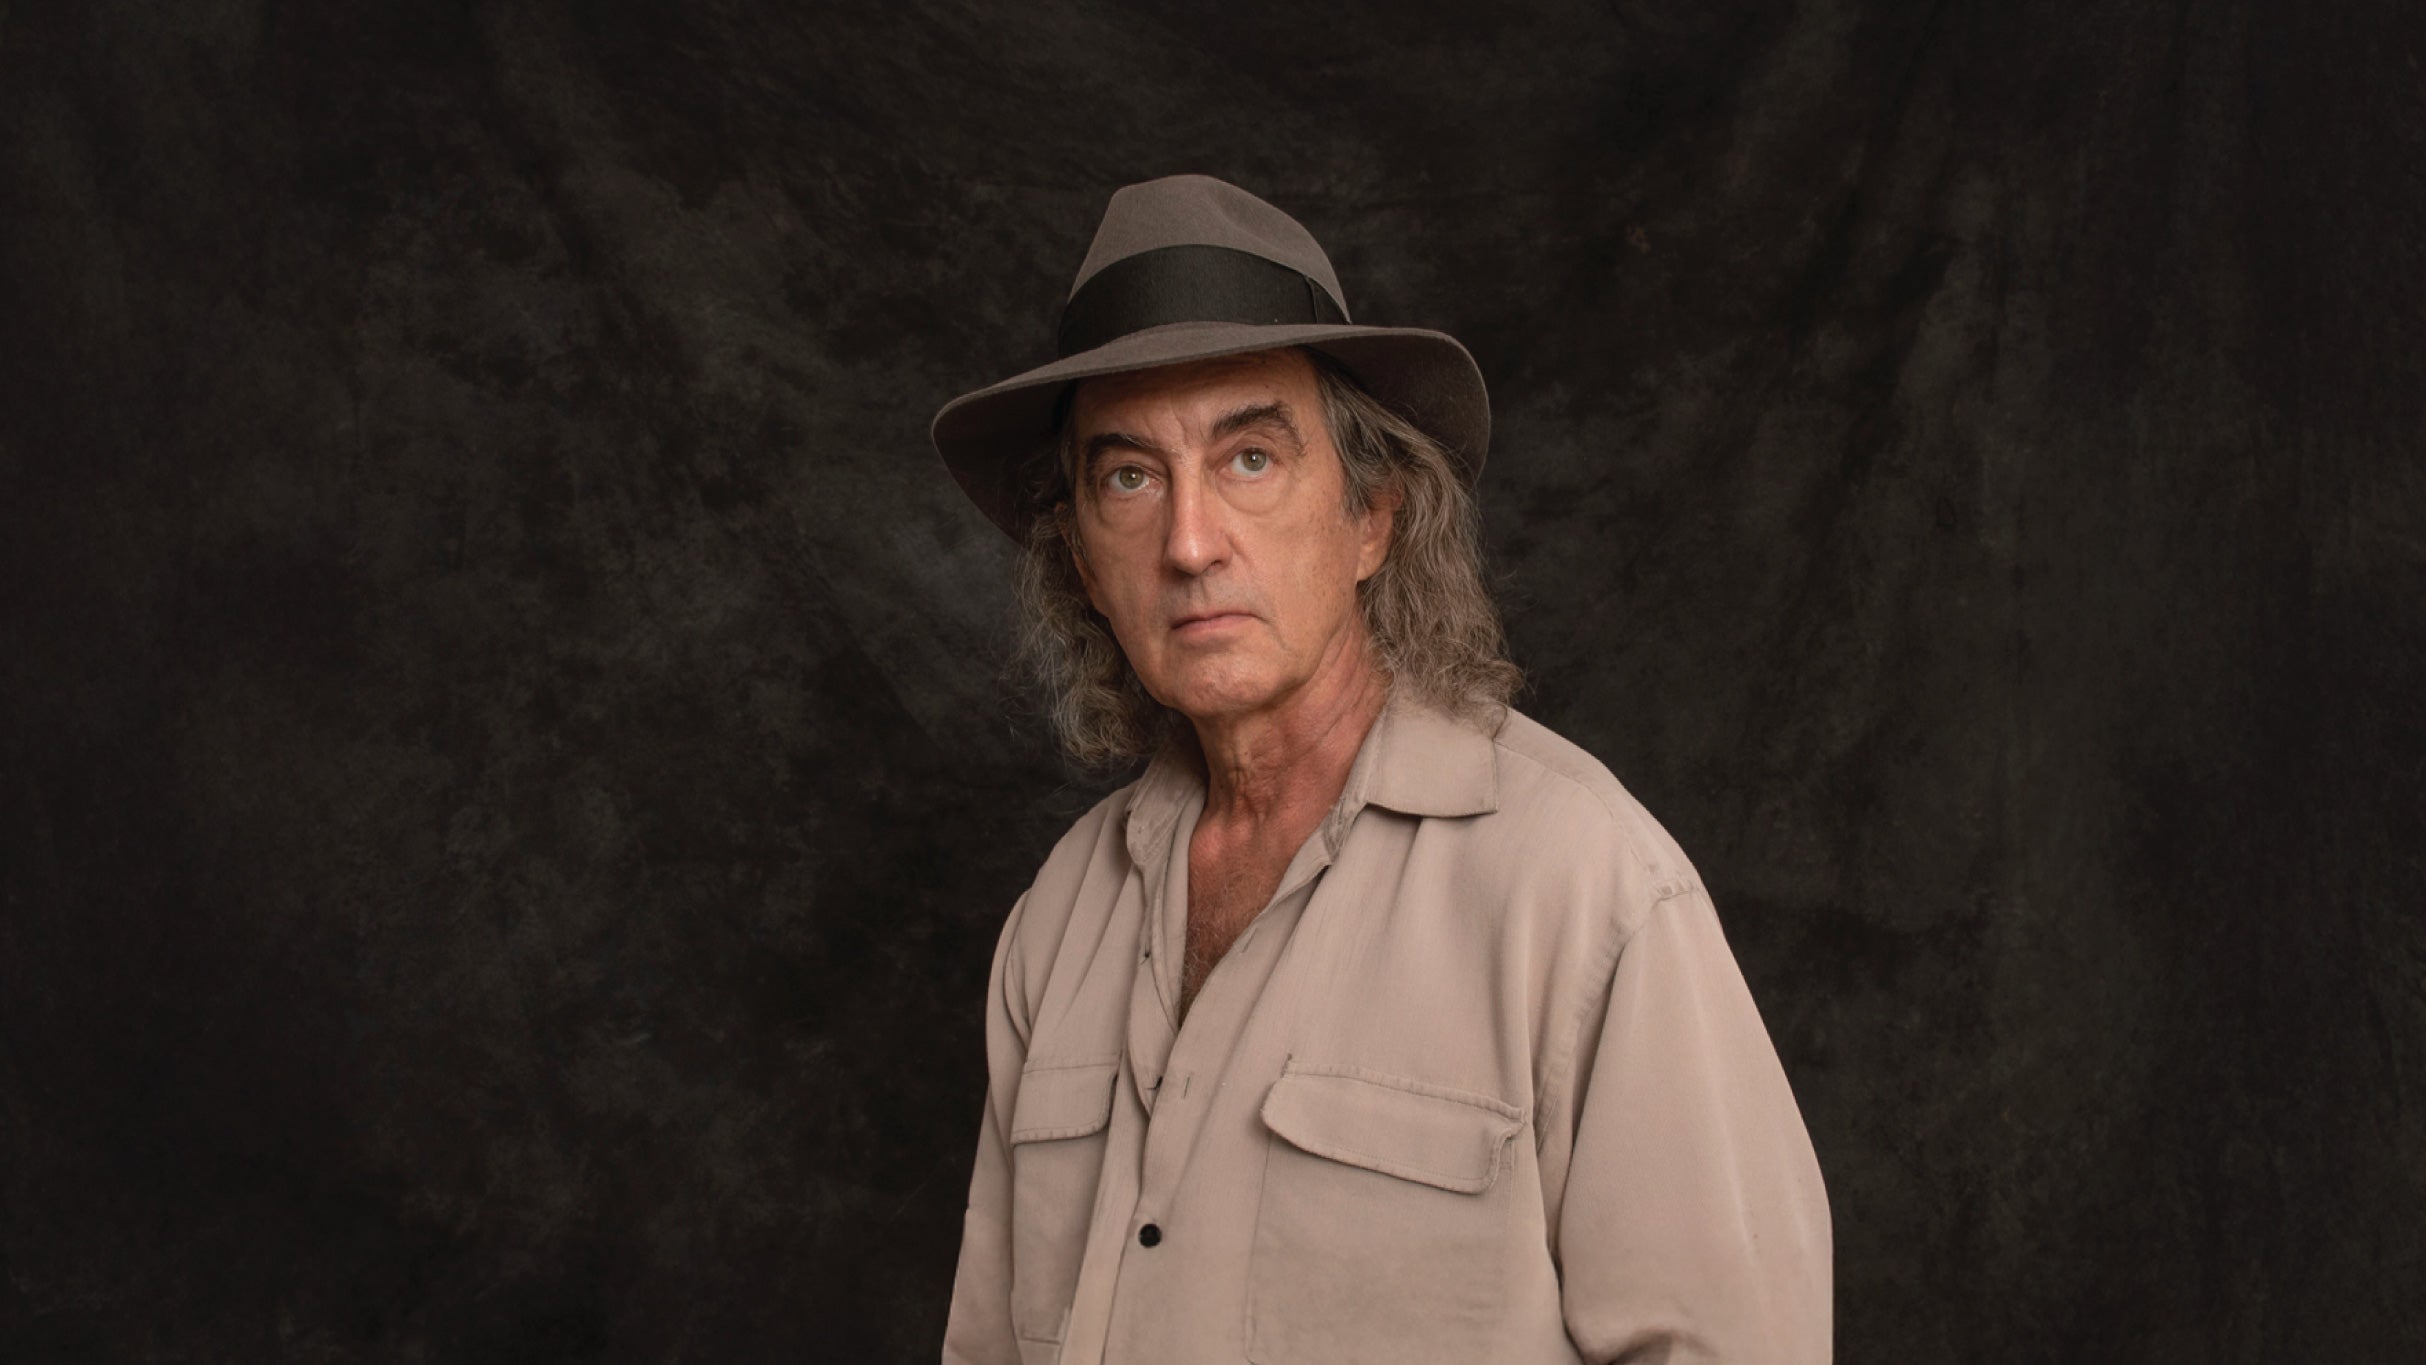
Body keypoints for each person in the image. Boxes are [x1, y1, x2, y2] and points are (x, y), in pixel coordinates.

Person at [927, 174, 1830, 1365]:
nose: (1188, 542)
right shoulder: (1057, 921)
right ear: (1085, 563)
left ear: (1372, 518)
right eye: (1129, 476)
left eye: (1251, 458)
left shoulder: (1583, 888)